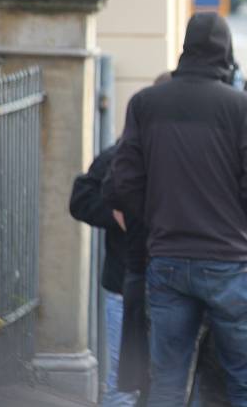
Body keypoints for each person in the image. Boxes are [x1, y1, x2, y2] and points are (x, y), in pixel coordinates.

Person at [109, 12, 247, 407]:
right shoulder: (243, 106)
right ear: (227, 52)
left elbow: (124, 180)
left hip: (168, 255)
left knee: (167, 382)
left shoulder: (145, 103)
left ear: (185, 48)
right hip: (231, 259)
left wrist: (154, 220)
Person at [70, 147, 139, 407]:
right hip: (125, 285)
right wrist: (116, 214)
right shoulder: (120, 155)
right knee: (125, 381)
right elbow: (81, 199)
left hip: (172, 289)